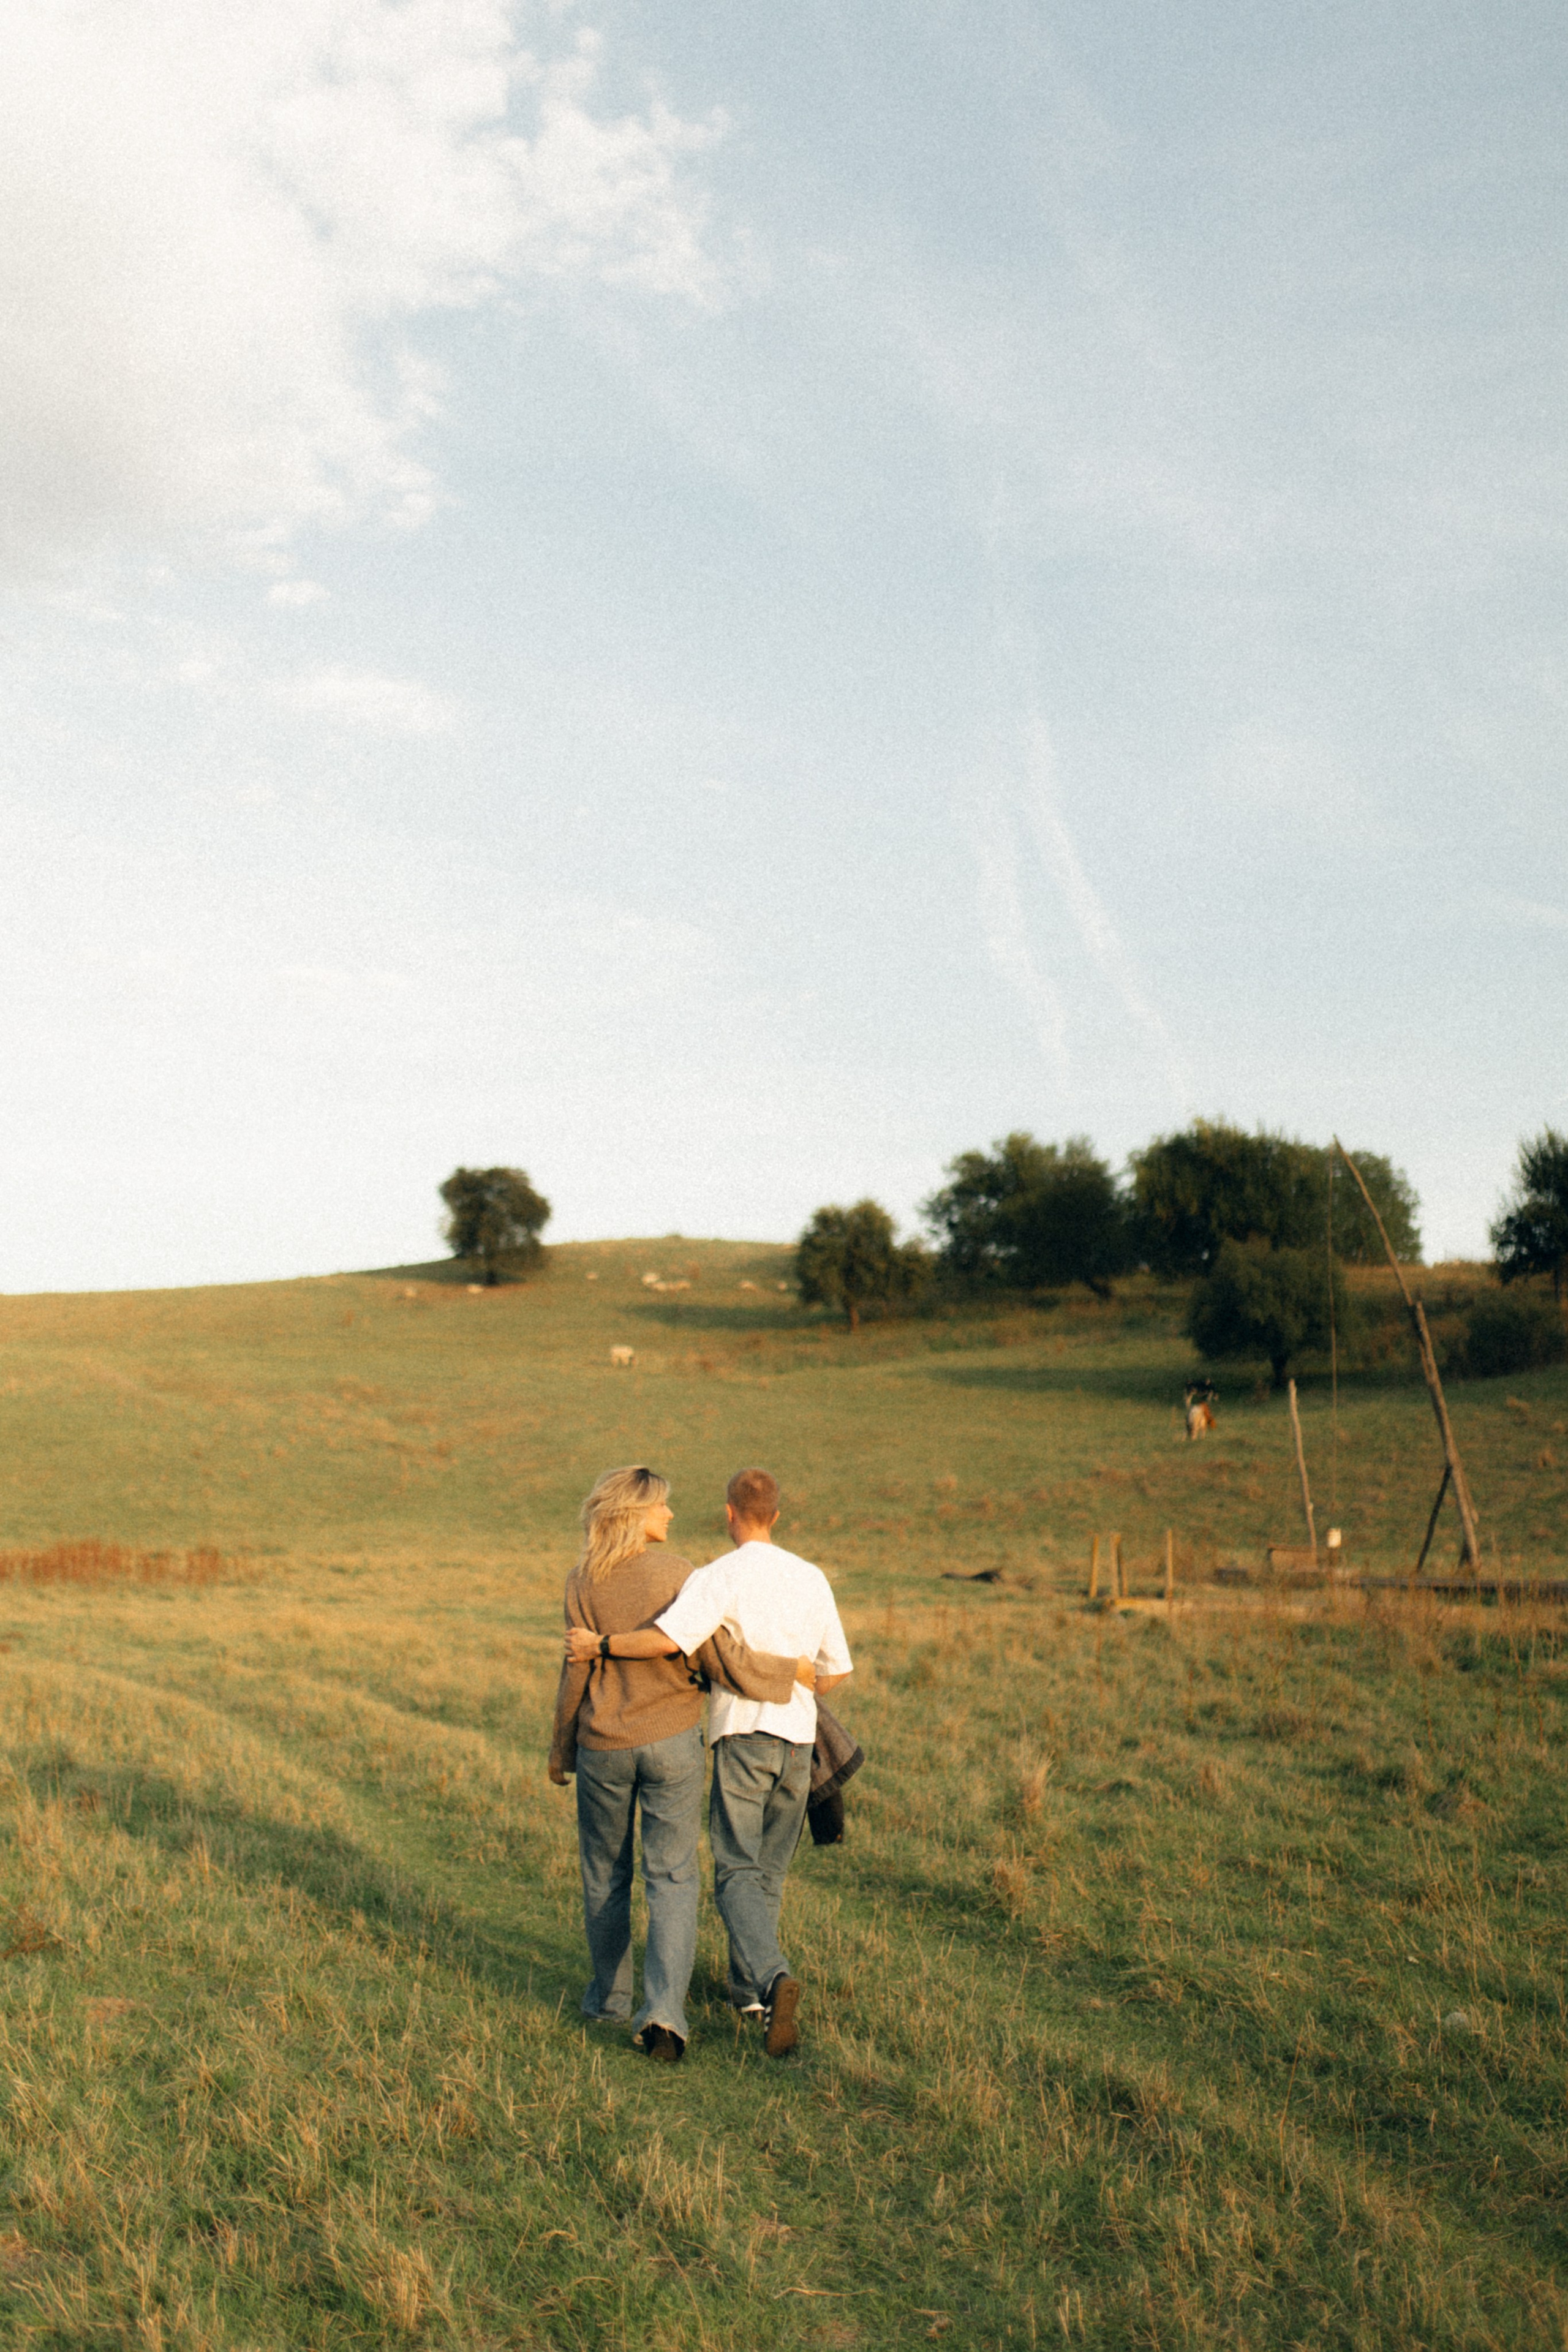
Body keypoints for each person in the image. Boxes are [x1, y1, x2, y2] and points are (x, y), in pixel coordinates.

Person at [566, 1466, 852, 2057]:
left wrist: (560, 1738)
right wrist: (793, 1675)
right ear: (777, 1513)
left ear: (730, 1512)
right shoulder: (719, 1574)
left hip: (656, 1739)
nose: (671, 1515)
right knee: (702, 1877)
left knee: (626, 1875)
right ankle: (709, 2003)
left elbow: (642, 1655)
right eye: (662, 1507)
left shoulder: (608, 1578)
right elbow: (763, 1662)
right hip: (745, 1739)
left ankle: (621, 1998)